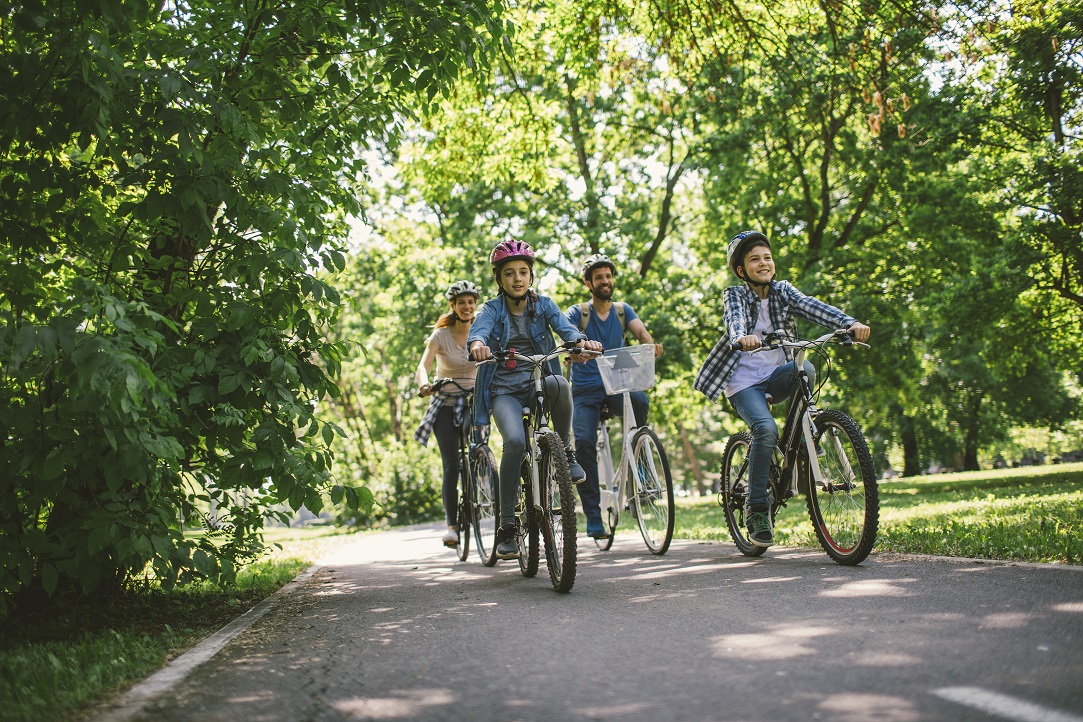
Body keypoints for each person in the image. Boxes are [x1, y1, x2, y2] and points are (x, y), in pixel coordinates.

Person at [693, 231, 870, 548]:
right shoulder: (735, 295)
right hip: (743, 381)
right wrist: (742, 337)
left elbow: (813, 307)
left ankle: (803, 440)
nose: (763, 264)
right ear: (741, 270)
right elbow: (734, 319)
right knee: (764, 429)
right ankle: (756, 508)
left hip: (776, 374)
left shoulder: (783, 291)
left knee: (809, 368)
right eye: (754, 259)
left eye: (767, 257)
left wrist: (848, 324)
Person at [468, 240, 603, 559]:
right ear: (499, 279)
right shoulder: (491, 309)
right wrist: (477, 345)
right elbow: (480, 331)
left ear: (531, 276)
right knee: (514, 441)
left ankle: (565, 452)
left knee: (560, 383)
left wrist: (580, 343)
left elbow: (565, 328)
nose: (517, 278)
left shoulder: (543, 304)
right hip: (504, 390)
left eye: (524, 272)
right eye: (510, 273)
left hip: (538, 382)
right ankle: (507, 527)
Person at [567, 253, 664, 539]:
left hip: (618, 384)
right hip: (585, 389)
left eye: (608, 276)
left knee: (640, 402)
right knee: (583, 442)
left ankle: (640, 470)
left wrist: (650, 346)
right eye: (599, 277)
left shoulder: (623, 310)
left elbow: (642, 333)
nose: (605, 281)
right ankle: (594, 515)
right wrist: (578, 345)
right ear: (589, 283)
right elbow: (568, 332)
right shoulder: (579, 312)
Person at [414, 280, 481, 549]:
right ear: (453, 306)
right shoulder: (440, 336)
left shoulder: (482, 330)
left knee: (477, 448)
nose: (467, 307)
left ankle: (482, 479)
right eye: (462, 302)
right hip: (444, 401)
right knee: (451, 464)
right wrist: (423, 384)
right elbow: (423, 365)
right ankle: (452, 527)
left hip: (474, 400)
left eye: (471, 302)